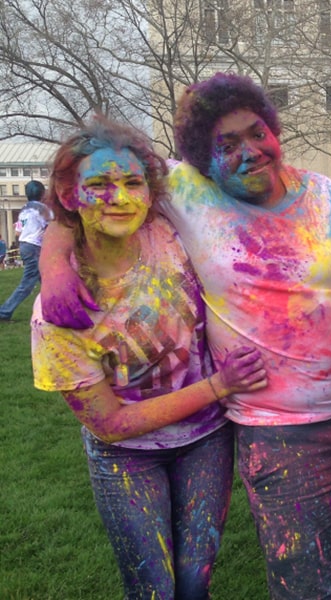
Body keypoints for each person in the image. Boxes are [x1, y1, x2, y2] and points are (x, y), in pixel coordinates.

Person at [39, 73, 331, 600]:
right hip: (280, 431)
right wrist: (54, 262)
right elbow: (92, 191)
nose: (250, 151)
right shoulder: (186, 190)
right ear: (202, 155)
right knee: (311, 587)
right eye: (227, 144)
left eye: (257, 132)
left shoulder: (325, 194)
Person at [31, 117, 267, 598]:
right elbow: (110, 424)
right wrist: (218, 387)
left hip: (206, 441)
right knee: (153, 587)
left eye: (132, 182)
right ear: (70, 193)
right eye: (98, 185)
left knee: (196, 581)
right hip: (126, 459)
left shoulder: (167, 230)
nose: (119, 197)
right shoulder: (56, 314)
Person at [0, 179, 52, 321]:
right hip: (34, 247)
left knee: (47, 280)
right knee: (27, 284)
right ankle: (4, 311)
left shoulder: (25, 209)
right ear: (42, 193)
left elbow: (18, 231)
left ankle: (55, 307)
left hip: (25, 245)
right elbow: (52, 225)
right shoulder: (42, 209)